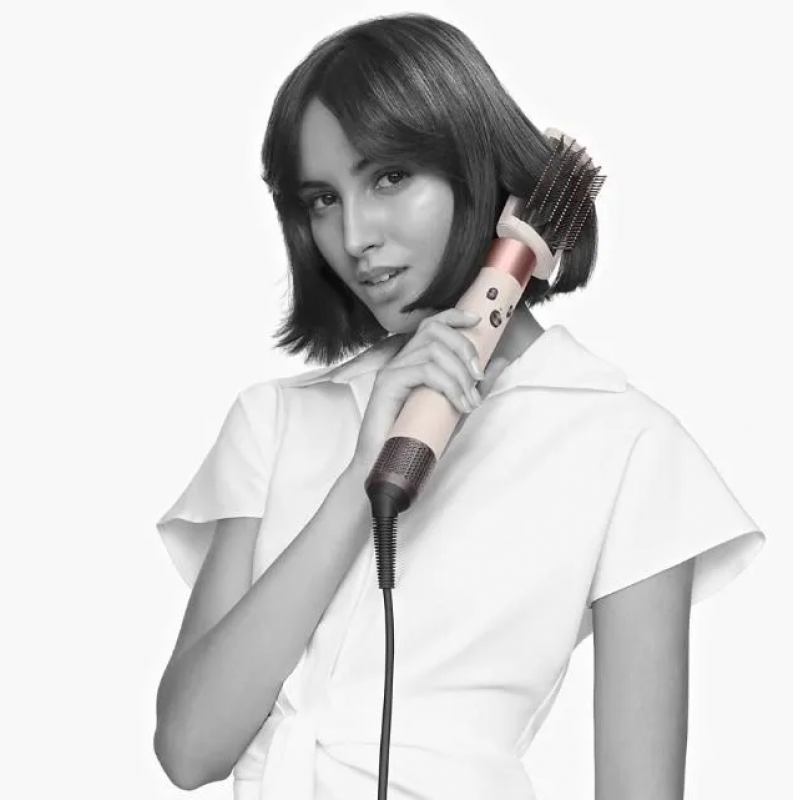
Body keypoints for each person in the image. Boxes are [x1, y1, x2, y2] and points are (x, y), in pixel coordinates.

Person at [152, 12, 766, 800]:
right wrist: (358, 482)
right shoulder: (274, 421)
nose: (355, 236)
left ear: (477, 172)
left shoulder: (626, 444)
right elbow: (189, 750)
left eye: (389, 178)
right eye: (323, 199)